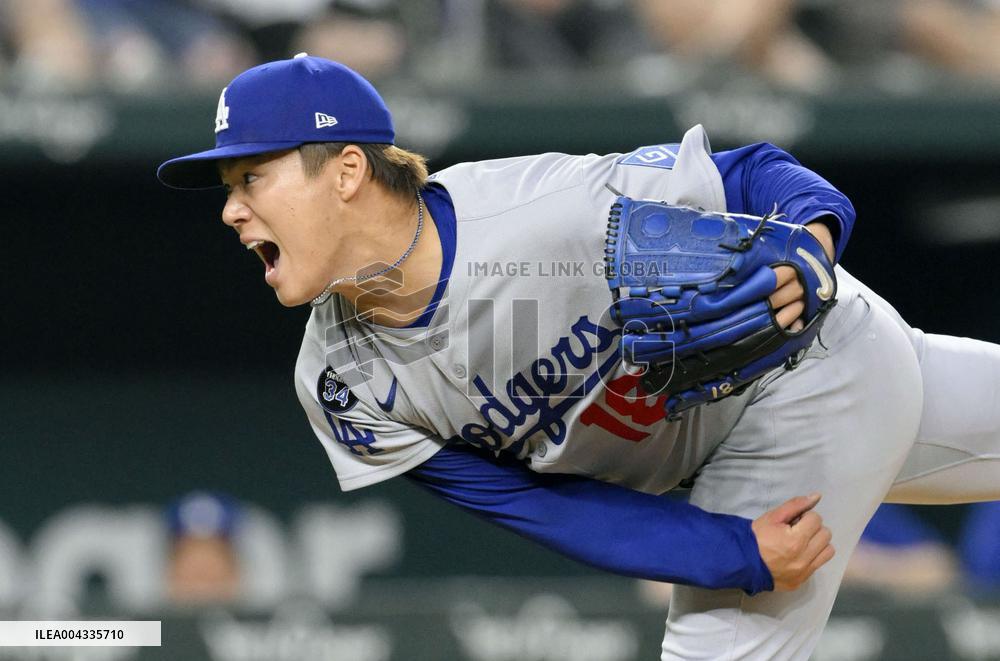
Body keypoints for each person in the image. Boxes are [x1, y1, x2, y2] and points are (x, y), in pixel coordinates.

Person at [157, 54, 1000, 660]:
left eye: (252, 178)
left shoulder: (538, 210)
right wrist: (731, 551)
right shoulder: (338, 381)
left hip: (807, 374)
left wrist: (810, 240)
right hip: (762, 432)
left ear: (346, 171)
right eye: (230, 188)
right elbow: (538, 504)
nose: (232, 210)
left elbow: (751, 171)